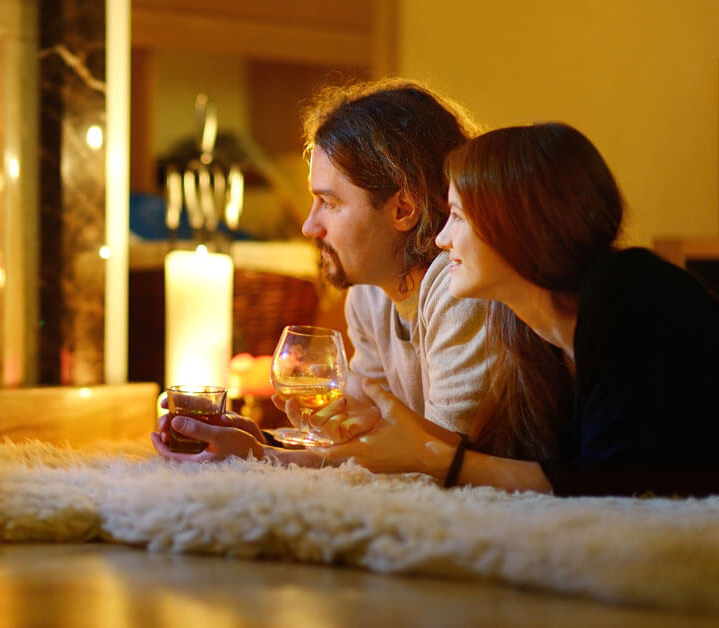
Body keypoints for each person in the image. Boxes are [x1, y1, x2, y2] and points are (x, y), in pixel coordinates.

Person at [316, 122, 719, 496]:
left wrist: (436, 460)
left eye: (457, 216)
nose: (441, 239)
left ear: (515, 222)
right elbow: (539, 465)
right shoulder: (524, 329)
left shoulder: (628, 292)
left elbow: (607, 486)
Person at [153, 80, 494, 464]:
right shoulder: (370, 293)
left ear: (403, 208)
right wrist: (263, 438)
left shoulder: (459, 290)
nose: (309, 226)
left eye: (328, 203)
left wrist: (266, 456)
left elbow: (439, 461)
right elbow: (368, 435)